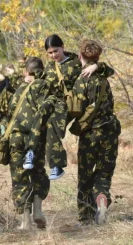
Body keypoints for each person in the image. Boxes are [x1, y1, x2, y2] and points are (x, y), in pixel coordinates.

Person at [23, 34, 114, 181]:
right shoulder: (51, 66)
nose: (53, 55)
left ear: (62, 47)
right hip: (52, 100)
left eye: (56, 51)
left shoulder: (75, 62)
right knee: (40, 115)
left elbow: (109, 71)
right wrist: (31, 78)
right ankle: (30, 152)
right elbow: (43, 79)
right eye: (50, 53)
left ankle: (56, 166)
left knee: (53, 124)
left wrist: (96, 66)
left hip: (67, 102)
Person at [70, 40, 121, 225]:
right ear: (98, 57)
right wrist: (97, 66)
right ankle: (101, 200)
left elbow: (75, 110)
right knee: (104, 173)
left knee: (85, 176)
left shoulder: (80, 81)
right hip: (110, 130)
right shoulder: (103, 75)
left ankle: (85, 217)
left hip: (91, 133)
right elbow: (110, 70)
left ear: (80, 56)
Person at [7, 57, 50, 230]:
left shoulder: (19, 90)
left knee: (20, 176)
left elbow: (10, 111)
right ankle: (38, 210)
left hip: (17, 138)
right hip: (37, 137)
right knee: (38, 172)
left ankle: (25, 221)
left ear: (26, 72)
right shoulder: (45, 88)